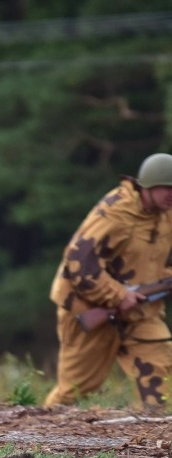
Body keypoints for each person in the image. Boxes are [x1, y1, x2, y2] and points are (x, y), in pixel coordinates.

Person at [45, 153, 172, 407]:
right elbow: (78, 262)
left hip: (142, 311)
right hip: (90, 308)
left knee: (162, 391)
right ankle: (35, 441)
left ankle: (154, 442)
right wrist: (118, 296)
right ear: (147, 185)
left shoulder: (167, 215)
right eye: (166, 187)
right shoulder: (116, 211)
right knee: (74, 392)